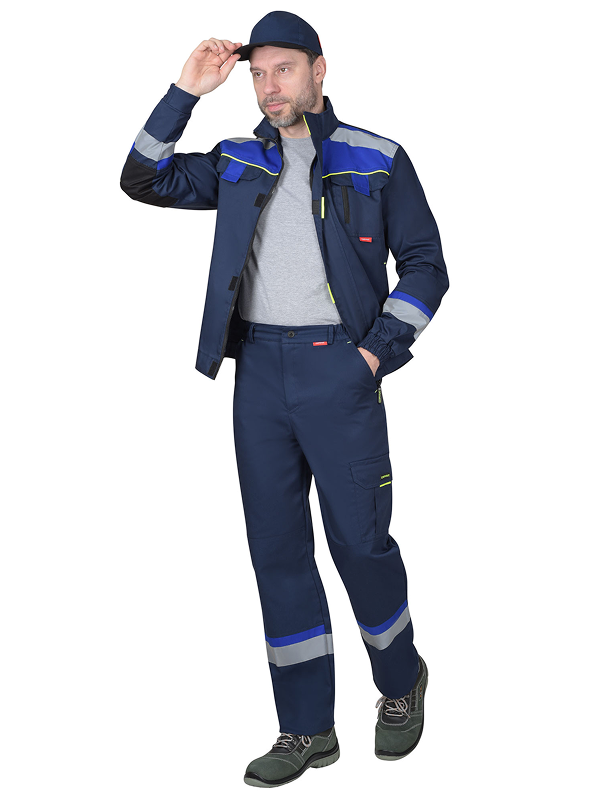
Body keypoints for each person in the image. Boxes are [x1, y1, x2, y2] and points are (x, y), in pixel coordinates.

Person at [120, 10, 449, 789]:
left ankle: (400, 679)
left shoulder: (376, 157)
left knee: (359, 543)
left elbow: (427, 266)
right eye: (258, 74)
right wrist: (185, 90)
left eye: (284, 71)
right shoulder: (238, 159)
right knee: (277, 552)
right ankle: (306, 729)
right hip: (259, 376)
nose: (269, 88)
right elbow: (143, 178)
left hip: (340, 369)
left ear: (319, 70)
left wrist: (375, 353)